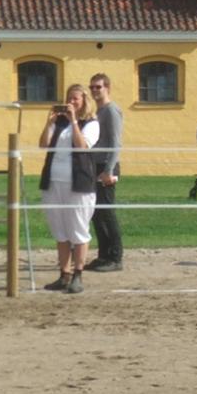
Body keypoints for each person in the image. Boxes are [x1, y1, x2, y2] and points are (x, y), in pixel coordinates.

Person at [38, 84, 99, 294]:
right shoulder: (59, 122)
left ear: (84, 101)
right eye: (69, 99)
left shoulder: (91, 123)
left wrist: (74, 121)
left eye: (76, 99)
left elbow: (82, 146)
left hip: (79, 182)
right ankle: (63, 273)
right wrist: (50, 123)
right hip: (54, 180)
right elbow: (44, 144)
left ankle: (78, 274)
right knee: (60, 229)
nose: (71, 102)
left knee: (78, 228)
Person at [86, 73, 123, 272]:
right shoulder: (97, 111)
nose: (94, 91)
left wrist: (109, 170)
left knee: (107, 211)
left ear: (107, 87)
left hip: (107, 166)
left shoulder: (111, 110)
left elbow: (116, 142)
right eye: (92, 87)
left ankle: (116, 257)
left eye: (98, 87)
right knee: (96, 212)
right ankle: (103, 254)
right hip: (95, 165)